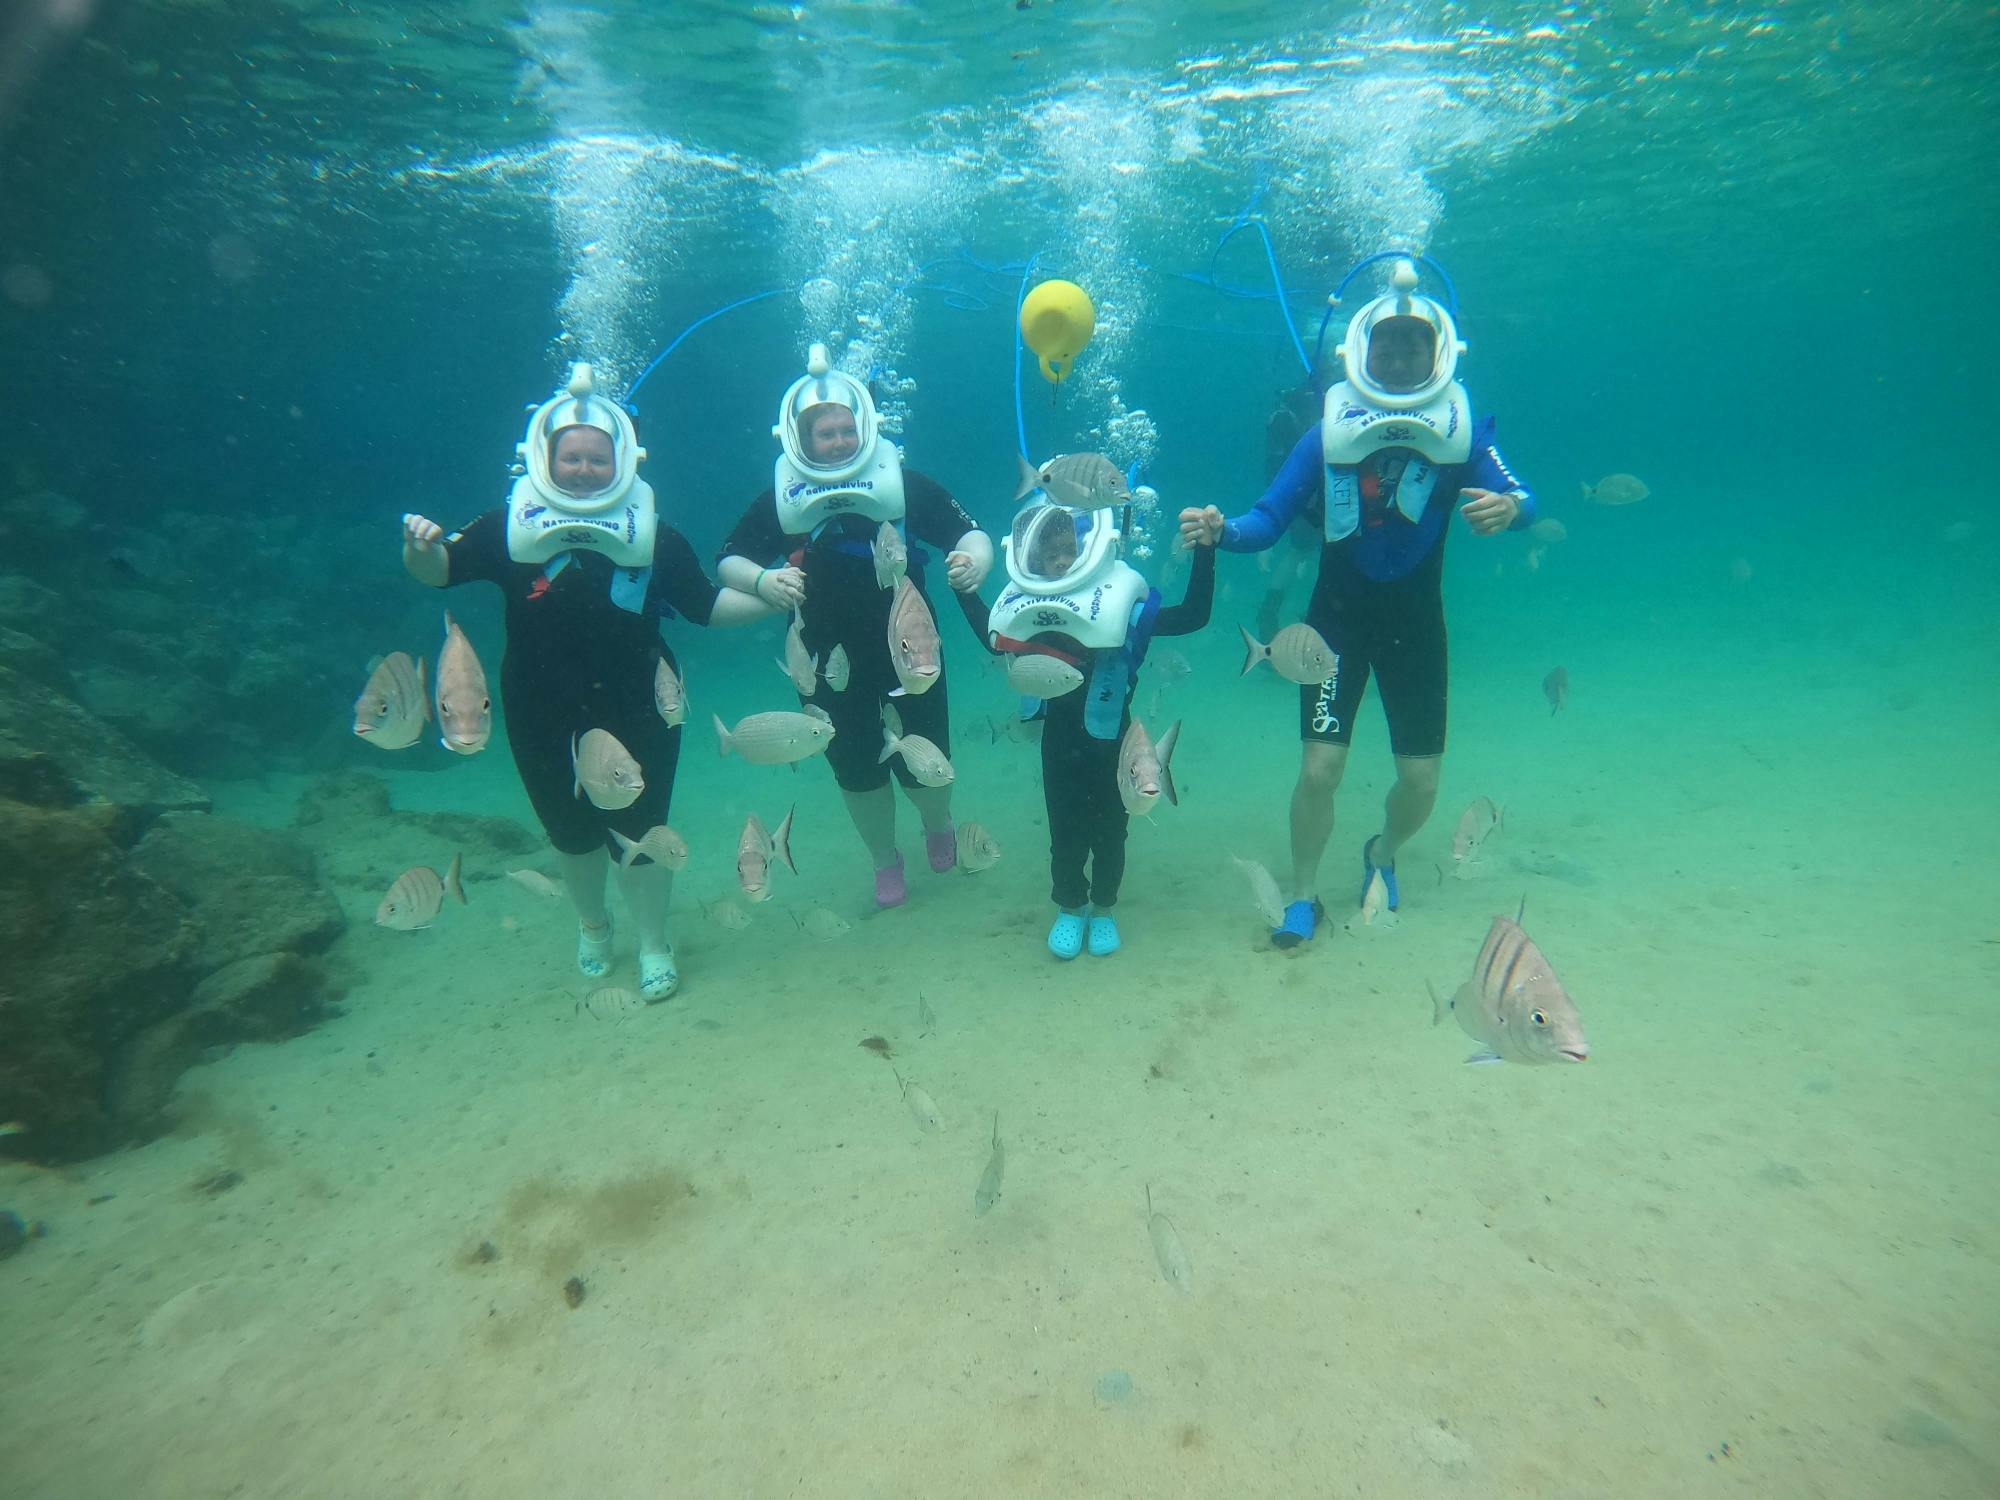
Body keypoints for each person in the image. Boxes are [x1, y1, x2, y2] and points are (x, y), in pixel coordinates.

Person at [1179, 258, 1537, 947]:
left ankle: (1381, 852)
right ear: (1361, 350)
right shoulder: (1326, 433)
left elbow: (1525, 496)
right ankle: (1304, 895)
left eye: (1414, 343)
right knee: (1320, 769)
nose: (1400, 355)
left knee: (1422, 784)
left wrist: (1510, 509)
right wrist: (1222, 532)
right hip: (1335, 622)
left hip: (1417, 625)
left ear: (1438, 352)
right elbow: (1266, 520)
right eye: (1387, 343)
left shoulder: (1463, 432)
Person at [402, 363, 772, 999]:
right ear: (544, 458)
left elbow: (706, 607)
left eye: (597, 459)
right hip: (538, 701)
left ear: (623, 459)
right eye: (570, 458)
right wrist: (421, 544)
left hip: (642, 700)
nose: (583, 470)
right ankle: (593, 925)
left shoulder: (655, 534)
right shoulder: (503, 526)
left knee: (643, 827)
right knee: (569, 832)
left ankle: (654, 941)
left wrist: (776, 596)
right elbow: (440, 571)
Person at [716, 344, 993, 908]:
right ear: (801, 440)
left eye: (847, 429)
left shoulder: (904, 484)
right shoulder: (782, 497)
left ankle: (937, 826)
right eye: (826, 433)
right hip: (823, 657)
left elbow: (969, 533)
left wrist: (975, 560)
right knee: (855, 768)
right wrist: (764, 583)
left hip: (912, 650)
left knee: (927, 757)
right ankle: (883, 859)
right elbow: (729, 559)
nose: (839, 441)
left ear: (864, 429)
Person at [976, 465, 1215, 958]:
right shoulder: (1034, 613)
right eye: (1052, 553)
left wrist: (1206, 552)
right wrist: (963, 588)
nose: (1062, 561)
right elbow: (992, 634)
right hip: (1059, 744)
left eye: (1071, 551)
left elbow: (1194, 615)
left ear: (1093, 551)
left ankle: (1103, 908)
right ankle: (1069, 906)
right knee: (1064, 833)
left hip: (1117, 741)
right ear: (1033, 557)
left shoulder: (1119, 607)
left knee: (1112, 832)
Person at [1254, 380, 1326, 641]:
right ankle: (1314, 615)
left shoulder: (1287, 411)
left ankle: (1270, 610)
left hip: (1296, 492)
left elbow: (1274, 466)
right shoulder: (1325, 403)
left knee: (1300, 551)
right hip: (1320, 491)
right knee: (1315, 551)